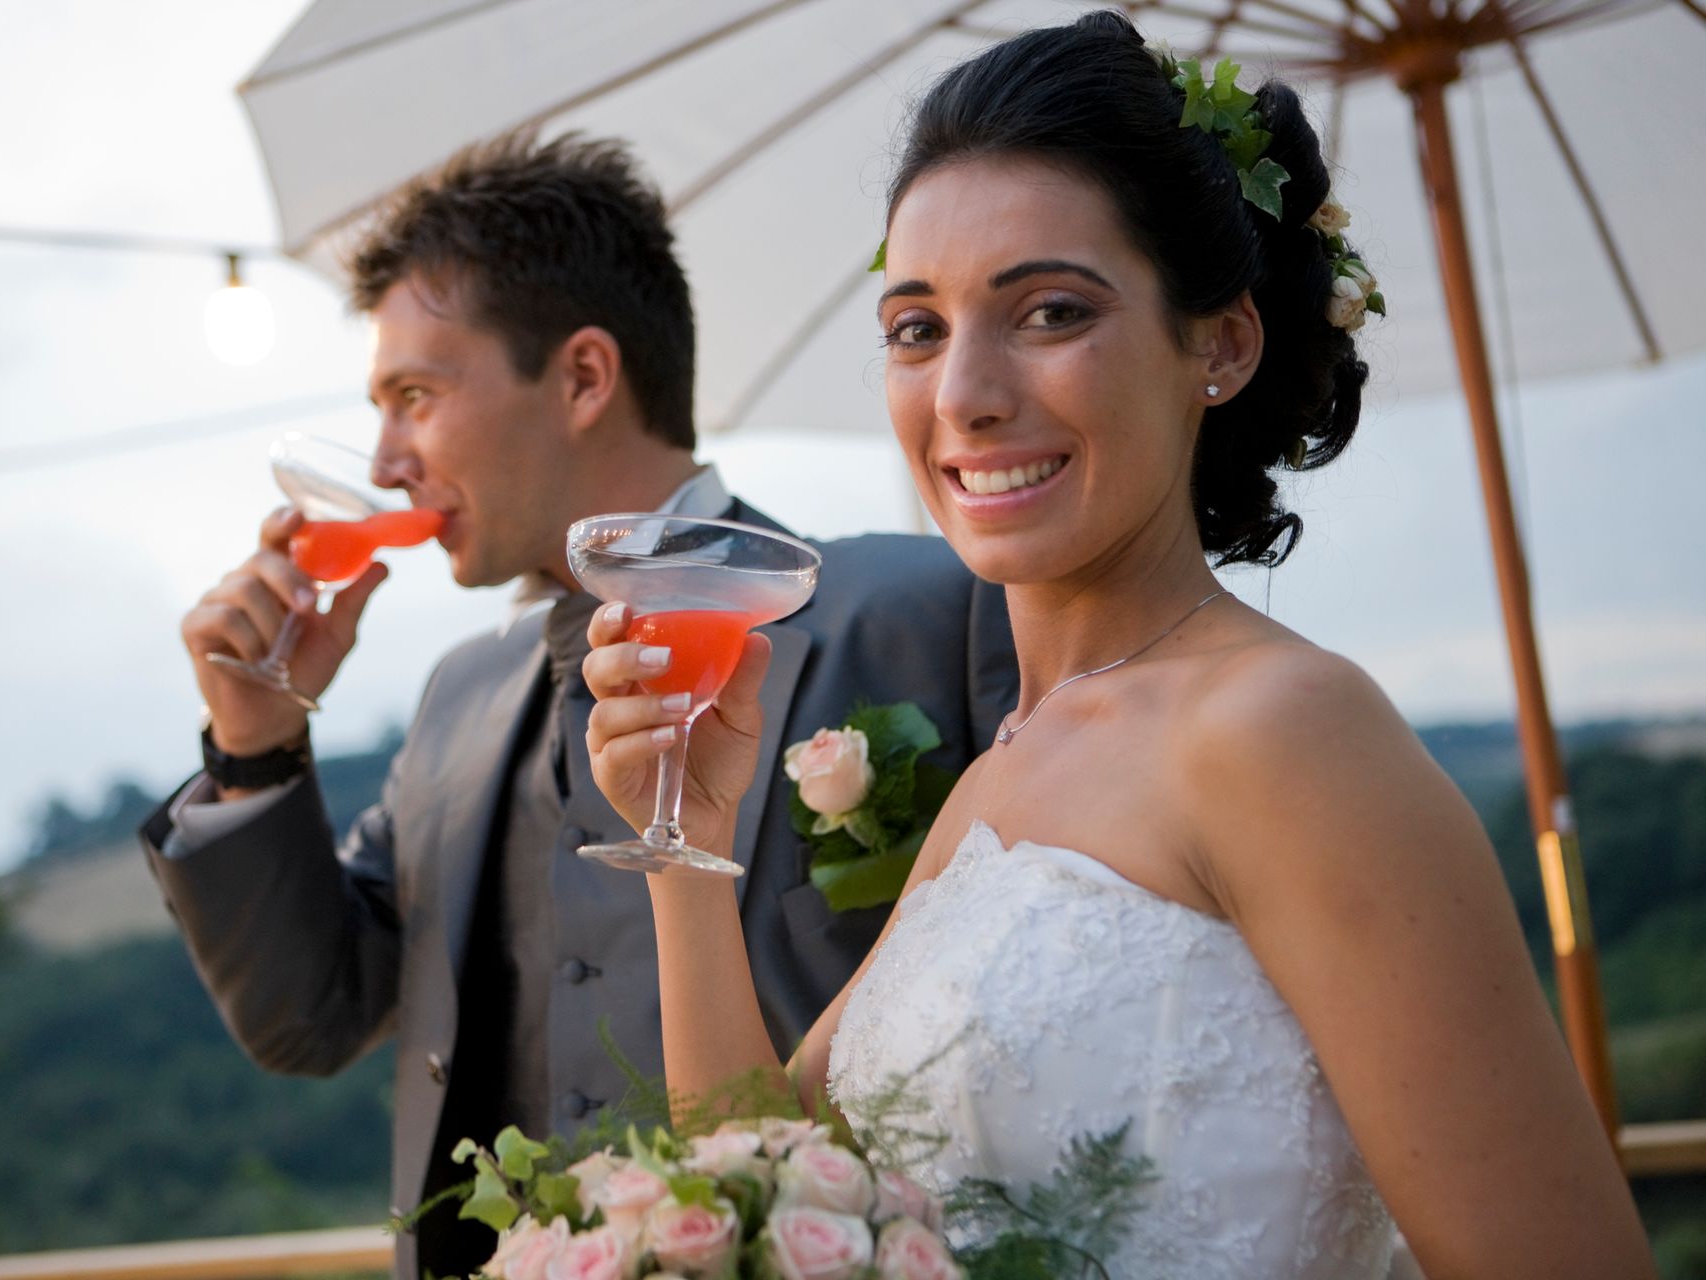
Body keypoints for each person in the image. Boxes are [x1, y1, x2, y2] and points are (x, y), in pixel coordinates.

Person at [579, 16, 1655, 1278]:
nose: (965, 392)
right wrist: (692, 853)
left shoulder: (1283, 731)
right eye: (917, 327)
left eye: (1047, 311)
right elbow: (756, 1188)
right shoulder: (1003, 768)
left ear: (1222, 342)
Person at [138, 131, 1014, 1278]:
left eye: (415, 396)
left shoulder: (928, 611)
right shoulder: (458, 696)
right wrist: (255, 747)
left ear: (586, 377)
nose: (388, 459)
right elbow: (311, 1016)